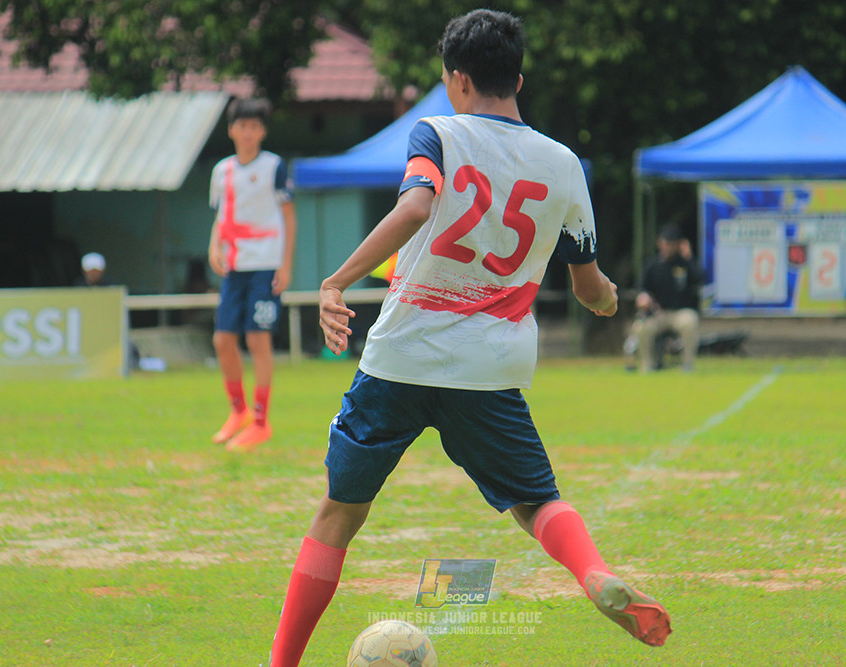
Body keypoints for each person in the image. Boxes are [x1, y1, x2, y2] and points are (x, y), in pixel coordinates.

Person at [268, 10, 671, 666]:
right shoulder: (564, 164)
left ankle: (279, 662)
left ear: (456, 79)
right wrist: (610, 299)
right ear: (518, 77)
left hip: (401, 355)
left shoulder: (437, 132)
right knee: (537, 502)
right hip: (490, 366)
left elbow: (417, 205)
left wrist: (336, 280)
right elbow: (589, 285)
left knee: (338, 513)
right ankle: (593, 571)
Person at [207, 98, 297, 452]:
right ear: (231, 130)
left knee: (258, 339)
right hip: (235, 265)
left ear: (262, 130)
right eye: (241, 126)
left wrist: (286, 264)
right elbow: (221, 215)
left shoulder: (274, 166)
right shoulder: (222, 171)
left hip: (266, 263)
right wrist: (214, 246)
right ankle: (238, 411)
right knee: (222, 340)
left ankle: (261, 421)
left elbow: (289, 215)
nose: (248, 132)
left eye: (254, 126)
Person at [628, 224, 702, 372]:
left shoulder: (685, 264)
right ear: (660, 243)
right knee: (641, 327)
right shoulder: (652, 265)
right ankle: (647, 365)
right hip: (658, 314)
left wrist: (689, 257)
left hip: (680, 313)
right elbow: (642, 289)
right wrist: (643, 299)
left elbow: (700, 278)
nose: (668, 247)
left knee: (690, 321)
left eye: (672, 243)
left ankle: (687, 365)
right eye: (665, 242)